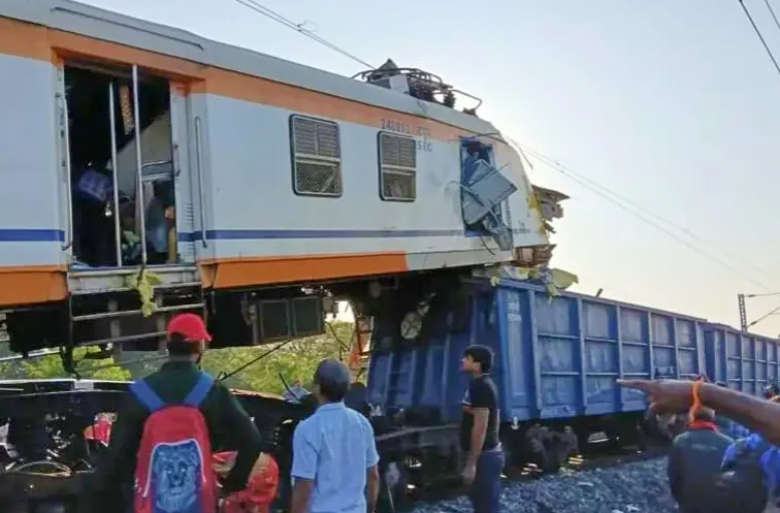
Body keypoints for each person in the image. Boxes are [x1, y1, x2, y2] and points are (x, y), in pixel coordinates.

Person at [84, 312, 264, 513]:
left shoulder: (140, 392)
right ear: (200, 345)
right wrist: (232, 485)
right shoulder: (213, 391)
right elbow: (252, 440)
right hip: (200, 503)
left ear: (168, 344)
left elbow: (117, 457)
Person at [290, 359, 379, 513]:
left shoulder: (307, 429)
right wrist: (371, 509)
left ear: (317, 388)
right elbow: (373, 475)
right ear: (347, 388)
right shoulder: (362, 423)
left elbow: (304, 485)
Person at [460, 345, 505, 513]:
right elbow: (494, 415)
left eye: (467, 358)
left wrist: (471, 464)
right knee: (483, 504)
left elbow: (480, 427)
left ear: (477, 365)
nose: (463, 361)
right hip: (489, 453)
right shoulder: (483, 384)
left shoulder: (481, 387)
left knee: (485, 507)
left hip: (484, 457)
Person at [666, 407, 734, 513]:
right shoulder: (728, 443)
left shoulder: (680, 441)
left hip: (690, 502)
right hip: (720, 502)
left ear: (692, 418)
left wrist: (681, 500)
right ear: (712, 418)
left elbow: (674, 475)